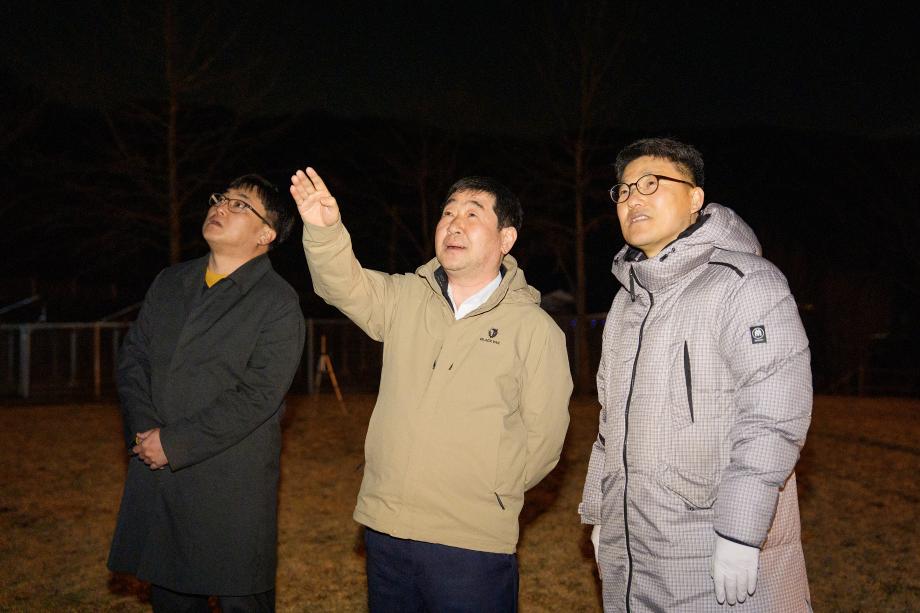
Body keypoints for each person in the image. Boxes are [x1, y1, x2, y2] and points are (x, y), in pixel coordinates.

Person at [292, 167, 572, 612]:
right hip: (387, 527)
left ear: (506, 239)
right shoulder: (405, 298)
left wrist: (491, 491)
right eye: (448, 213)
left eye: (473, 214)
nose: (454, 224)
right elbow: (342, 283)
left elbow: (545, 438)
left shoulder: (534, 330)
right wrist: (325, 231)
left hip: (471, 540)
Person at [579, 138, 813, 611]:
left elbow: (774, 416)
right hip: (634, 547)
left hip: (706, 543)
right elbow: (609, 424)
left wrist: (740, 531)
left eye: (651, 183)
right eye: (624, 190)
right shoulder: (627, 302)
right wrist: (601, 513)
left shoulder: (745, 282)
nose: (633, 198)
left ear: (695, 198)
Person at [107, 174, 305, 612]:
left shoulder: (276, 302)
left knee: (241, 596)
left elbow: (258, 396)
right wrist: (145, 432)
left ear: (266, 235)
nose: (221, 207)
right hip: (160, 469)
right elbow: (134, 359)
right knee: (172, 594)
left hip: (230, 480)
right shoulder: (171, 282)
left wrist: (175, 443)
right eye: (221, 198)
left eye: (240, 205)